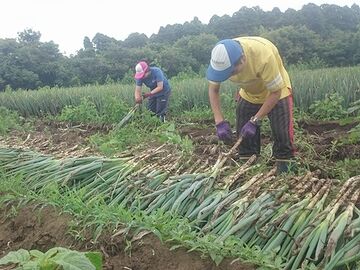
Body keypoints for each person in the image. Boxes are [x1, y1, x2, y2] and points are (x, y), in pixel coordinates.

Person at [206, 37, 296, 174]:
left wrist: (256, 120)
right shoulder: (220, 58)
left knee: (282, 134)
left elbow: (275, 93)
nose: (227, 76)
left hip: (277, 92)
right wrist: (219, 121)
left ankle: (286, 174)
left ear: (243, 59)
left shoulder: (264, 56)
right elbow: (213, 89)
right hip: (249, 93)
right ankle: (248, 171)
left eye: (230, 72)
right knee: (245, 139)